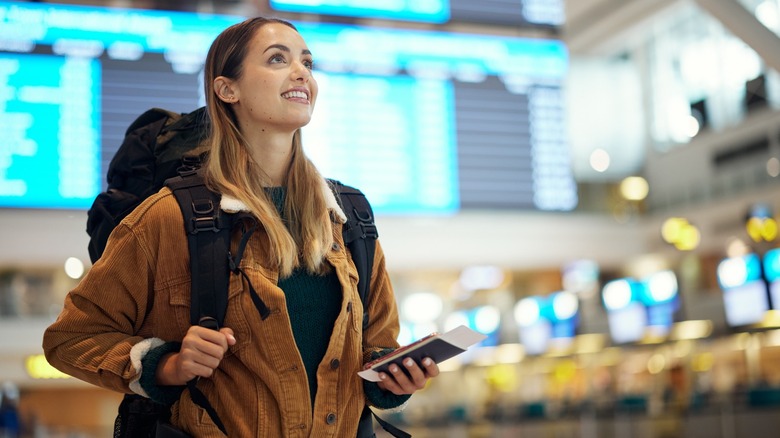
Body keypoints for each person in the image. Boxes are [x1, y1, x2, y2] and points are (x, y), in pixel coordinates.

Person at [43, 16, 439, 437]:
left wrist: (392, 382)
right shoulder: (169, 216)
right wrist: (168, 365)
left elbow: (376, 346)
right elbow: (71, 338)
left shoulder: (347, 217)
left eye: (307, 61)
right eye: (277, 59)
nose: (301, 71)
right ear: (226, 89)